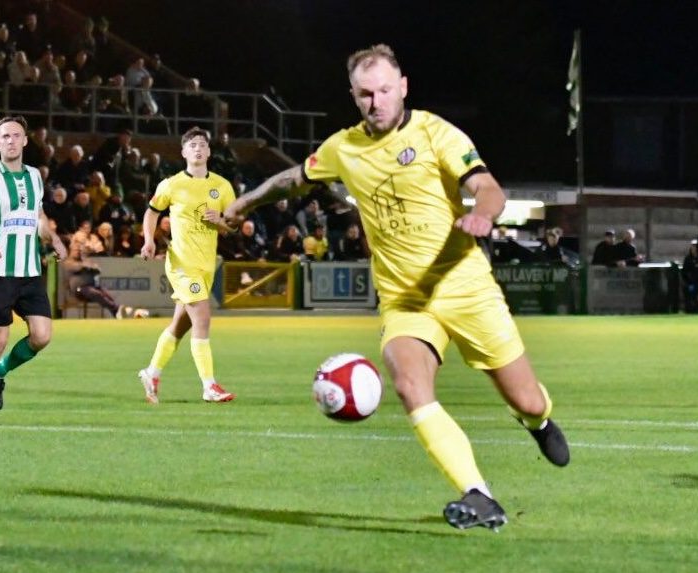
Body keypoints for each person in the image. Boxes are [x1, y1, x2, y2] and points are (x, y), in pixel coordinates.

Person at [223, 44, 568, 531]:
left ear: (403, 87)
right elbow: (293, 179)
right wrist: (246, 203)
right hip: (405, 300)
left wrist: (482, 216)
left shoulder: (435, 133)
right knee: (408, 384)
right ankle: (480, 495)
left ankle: (538, 422)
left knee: (527, 399)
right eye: (365, 94)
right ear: (353, 96)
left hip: (464, 287)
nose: (375, 101)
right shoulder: (344, 147)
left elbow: (488, 186)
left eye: (385, 90)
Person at [0, 116, 68, 424]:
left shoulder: (34, 176)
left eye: (15, 135)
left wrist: (54, 237)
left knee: (42, 336)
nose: (10, 140)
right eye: (4, 136)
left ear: (24, 141)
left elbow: (38, 217)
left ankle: (0, 373)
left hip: (31, 270)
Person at [138, 127, 237, 405]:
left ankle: (151, 372)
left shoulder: (222, 186)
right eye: (192, 145)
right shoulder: (171, 184)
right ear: (183, 152)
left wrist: (220, 220)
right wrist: (148, 241)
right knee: (203, 318)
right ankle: (209, 386)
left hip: (206, 265)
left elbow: (232, 226)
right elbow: (152, 212)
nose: (197, 149)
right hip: (182, 264)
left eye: (202, 145)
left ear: (208, 152)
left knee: (180, 325)